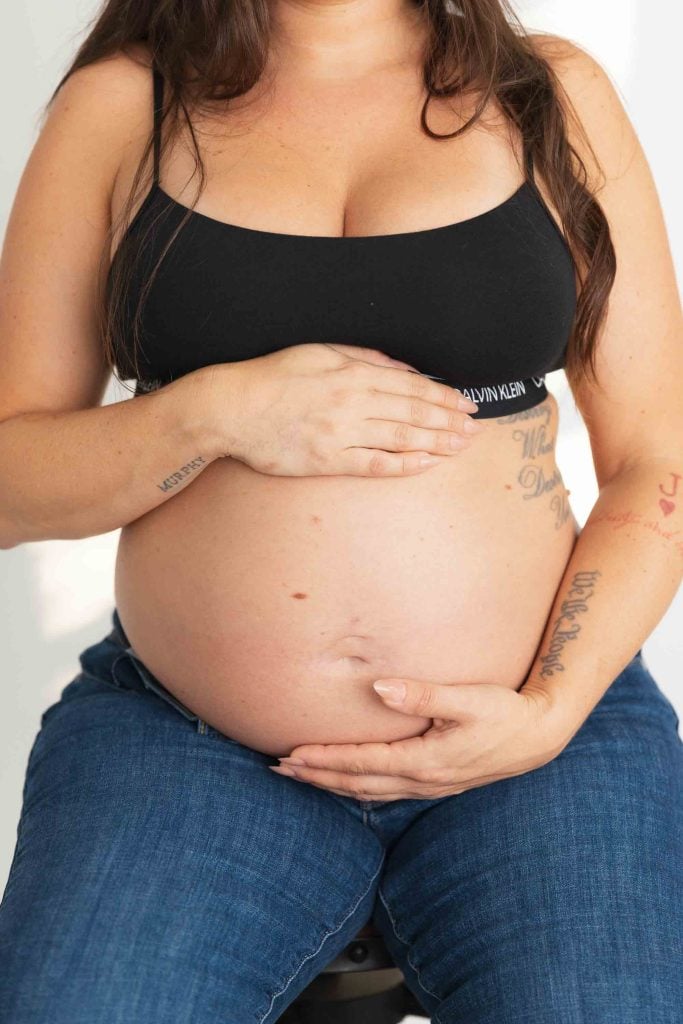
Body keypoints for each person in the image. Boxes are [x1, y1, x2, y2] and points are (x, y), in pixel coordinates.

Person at [0, 0, 681, 1021]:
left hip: (540, 735)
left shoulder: (547, 96)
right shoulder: (122, 107)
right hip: (190, 742)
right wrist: (213, 414)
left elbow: (654, 463)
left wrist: (545, 712)